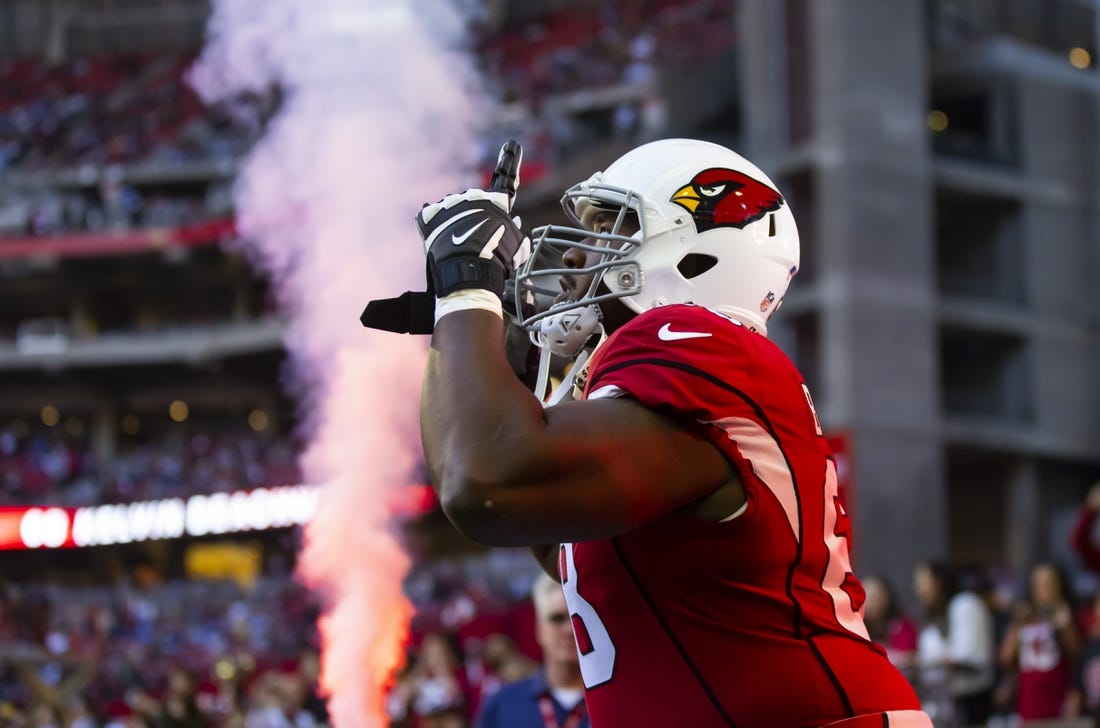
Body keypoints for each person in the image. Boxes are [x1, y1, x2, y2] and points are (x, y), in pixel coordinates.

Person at [414, 138, 930, 726]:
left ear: (695, 254)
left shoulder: (694, 340)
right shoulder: (694, 377)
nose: (579, 257)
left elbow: (484, 483)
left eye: (609, 228)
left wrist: (466, 288)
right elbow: (542, 523)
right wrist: (489, 355)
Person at [476, 573, 589, 728]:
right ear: (539, 628)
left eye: (577, 618)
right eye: (557, 618)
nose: (569, 629)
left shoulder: (615, 702)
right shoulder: (502, 705)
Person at [912, 560, 996, 726]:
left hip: (972, 699)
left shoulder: (965, 604)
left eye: (922, 582)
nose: (918, 589)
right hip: (947, 701)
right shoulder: (935, 615)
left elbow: (966, 655)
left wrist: (919, 662)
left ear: (938, 581)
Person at [999, 562, 1081, 722]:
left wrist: (1066, 626)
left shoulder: (1067, 615)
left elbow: (1076, 655)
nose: (1045, 590)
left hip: (1059, 695)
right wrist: (1016, 626)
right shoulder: (1024, 618)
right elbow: (1006, 658)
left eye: (1050, 584)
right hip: (1030, 697)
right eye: (1040, 585)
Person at [863, 574, 919, 678]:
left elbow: (910, 659)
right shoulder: (858, 631)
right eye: (866, 597)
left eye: (875, 597)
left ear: (887, 597)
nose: (871, 603)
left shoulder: (903, 626)